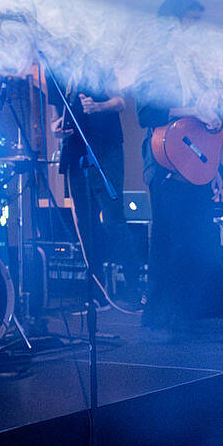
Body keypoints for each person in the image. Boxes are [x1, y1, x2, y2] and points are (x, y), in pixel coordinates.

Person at [134, 0, 223, 330]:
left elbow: (206, 117)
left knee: (197, 239)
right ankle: (160, 316)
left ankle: (190, 313)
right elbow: (146, 113)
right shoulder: (155, 62)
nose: (198, 29)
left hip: (196, 160)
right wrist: (193, 111)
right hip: (166, 162)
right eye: (192, 20)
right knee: (167, 240)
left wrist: (214, 123)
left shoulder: (197, 64)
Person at [53, 67, 139, 303]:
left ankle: (133, 287)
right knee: (84, 223)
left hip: (105, 150)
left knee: (113, 219)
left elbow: (121, 102)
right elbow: (58, 116)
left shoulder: (100, 65)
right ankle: (97, 290)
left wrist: (98, 107)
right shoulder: (61, 74)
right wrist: (57, 127)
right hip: (74, 153)